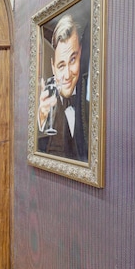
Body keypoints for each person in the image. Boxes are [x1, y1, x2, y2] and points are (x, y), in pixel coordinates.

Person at [37, 13, 89, 161]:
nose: (67, 75)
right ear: (53, 68)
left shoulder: (89, 91)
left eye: (73, 60)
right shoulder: (47, 93)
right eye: (61, 66)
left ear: (80, 54)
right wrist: (41, 118)